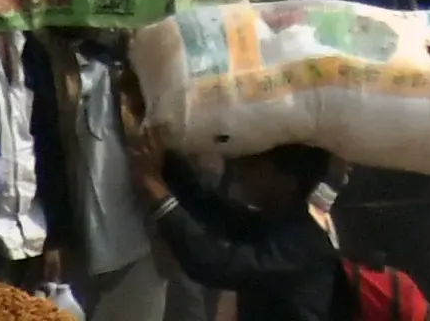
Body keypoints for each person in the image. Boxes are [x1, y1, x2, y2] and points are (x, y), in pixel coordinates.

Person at [124, 128, 342, 321]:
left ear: (288, 182)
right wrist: (165, 159)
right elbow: (208, 206)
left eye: (254, 164)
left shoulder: (300, 244)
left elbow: (215, 265)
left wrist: (155, 189)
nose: (240, 169)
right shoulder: (276, 224)